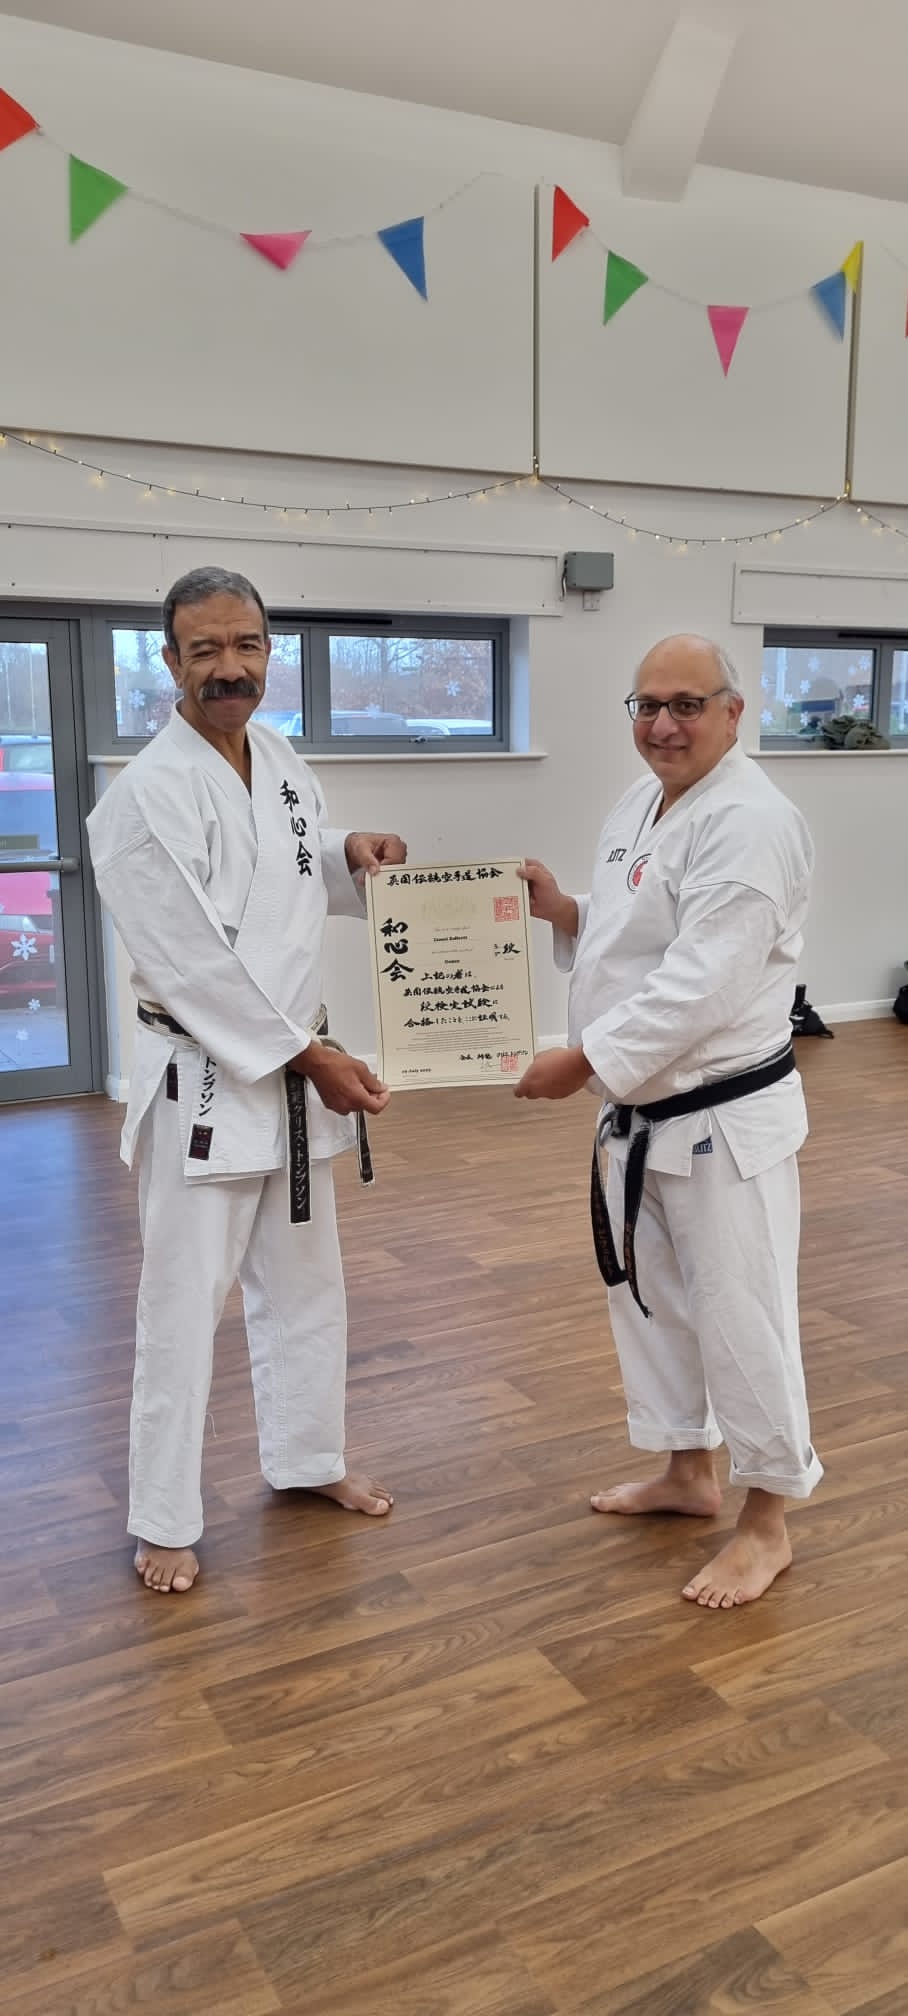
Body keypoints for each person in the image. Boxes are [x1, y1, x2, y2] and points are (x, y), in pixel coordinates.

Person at [88, 567, 406, 1594]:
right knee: (184, 1303)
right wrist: (309, 1056)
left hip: (294, 1074)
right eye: (206, 650)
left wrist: (350, 855)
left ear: (268, 651)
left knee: (307, 1286)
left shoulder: (276, 759)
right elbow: (189, 960)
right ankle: (164, 1515)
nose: (230, 668)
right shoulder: (142, 797)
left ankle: (308, 1459)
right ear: (169, 659)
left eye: (247, 646)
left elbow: (292, 864)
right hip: (208, 1079)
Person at [516, 634, 822, 1609]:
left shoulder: (751, 824)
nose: (660, 724)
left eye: (685, 705)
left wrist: (584, 1063)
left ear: (734, 712)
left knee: (742, 1320)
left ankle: (766, 1520)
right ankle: (687, 1473)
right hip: (640, 1116)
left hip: (720, 1118)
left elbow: (697, 984)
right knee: (649, 1303)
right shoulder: (639, 802)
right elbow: (629, 929)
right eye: (646, 705)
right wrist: (562, 910)